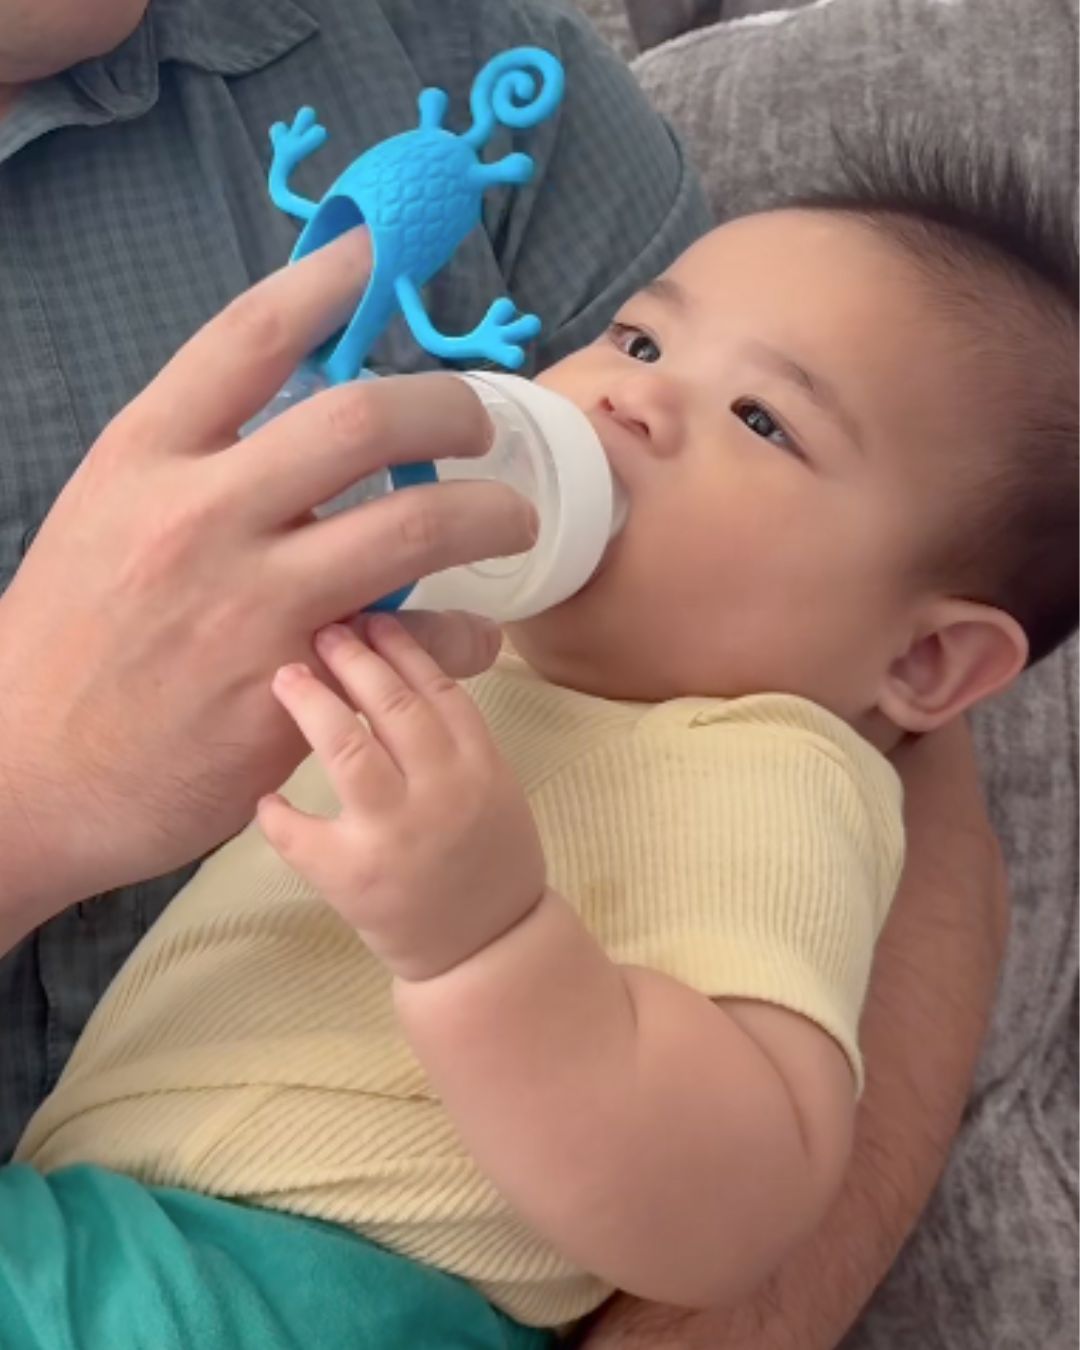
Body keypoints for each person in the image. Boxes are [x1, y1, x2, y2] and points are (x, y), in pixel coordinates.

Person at [0, 2, 1030, 1347]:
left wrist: (488, 945)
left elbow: (738, 1208)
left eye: (764, 419)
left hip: (279, 1289)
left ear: (926, 658)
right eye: (643, 342)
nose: (626, 399)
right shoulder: (502, 668)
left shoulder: (773, 766)